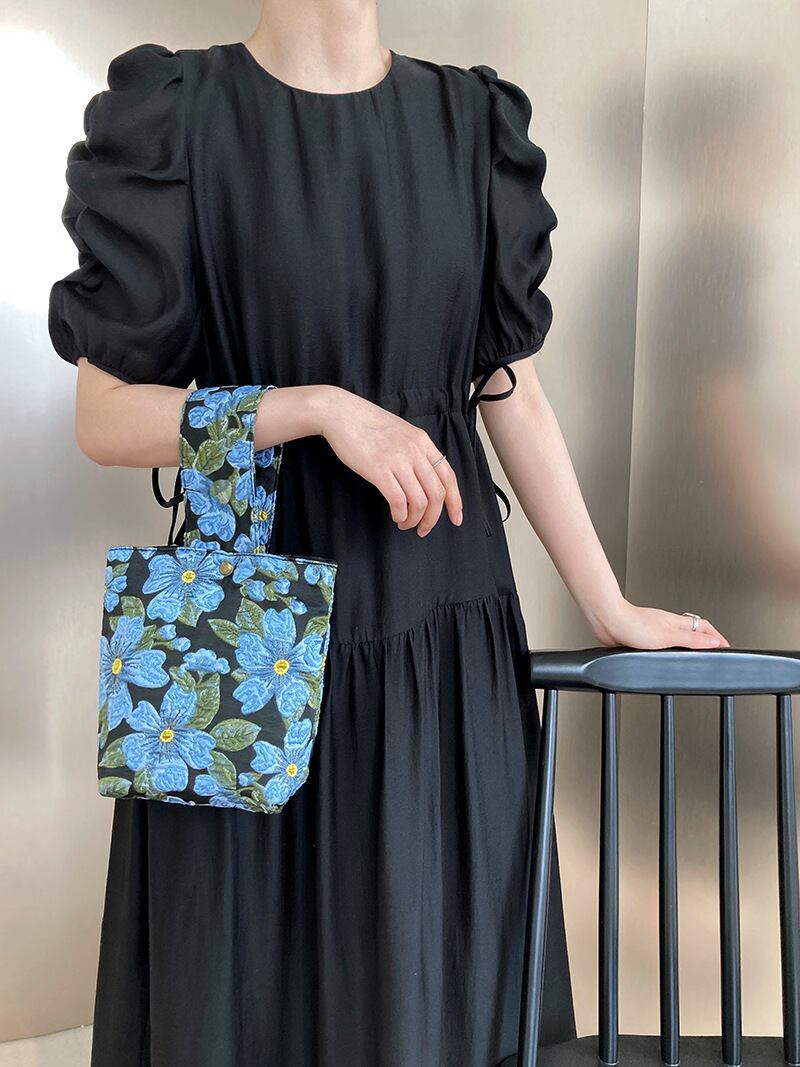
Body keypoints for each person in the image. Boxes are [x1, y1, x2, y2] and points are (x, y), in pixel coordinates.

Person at [47, 3, 730, 1065]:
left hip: (441, 640)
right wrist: (316, 407)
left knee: (439, 988)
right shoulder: (176, 119)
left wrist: (609, 602)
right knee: (247, 1001)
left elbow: (510, 393)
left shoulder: (470, 122)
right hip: (245, 640)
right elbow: (104, 417)